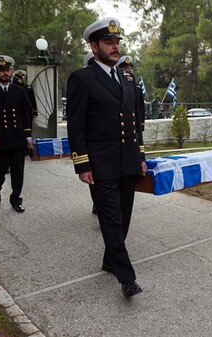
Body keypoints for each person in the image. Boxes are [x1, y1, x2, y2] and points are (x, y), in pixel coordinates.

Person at [66, 17, 146, 297]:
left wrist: (141, 156)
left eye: (117, 42)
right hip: (101, 164)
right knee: (111, 219)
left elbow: (135, 122)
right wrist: (82, 163)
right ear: (94, 46)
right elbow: (76, 126)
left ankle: (109, 261)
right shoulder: (82, 78)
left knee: (124, 217)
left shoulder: (126, 77)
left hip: (128, 161)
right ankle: (126, 278)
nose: (115, 47)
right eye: (109, 42)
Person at [0, 55, 33, 213]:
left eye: (8, 70)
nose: (5, 73)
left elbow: (25, 115)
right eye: (1, 70)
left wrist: (28, 135)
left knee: (18, 171)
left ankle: (16, 199)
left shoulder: (19, 91)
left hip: (17, 138)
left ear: (12, 71)